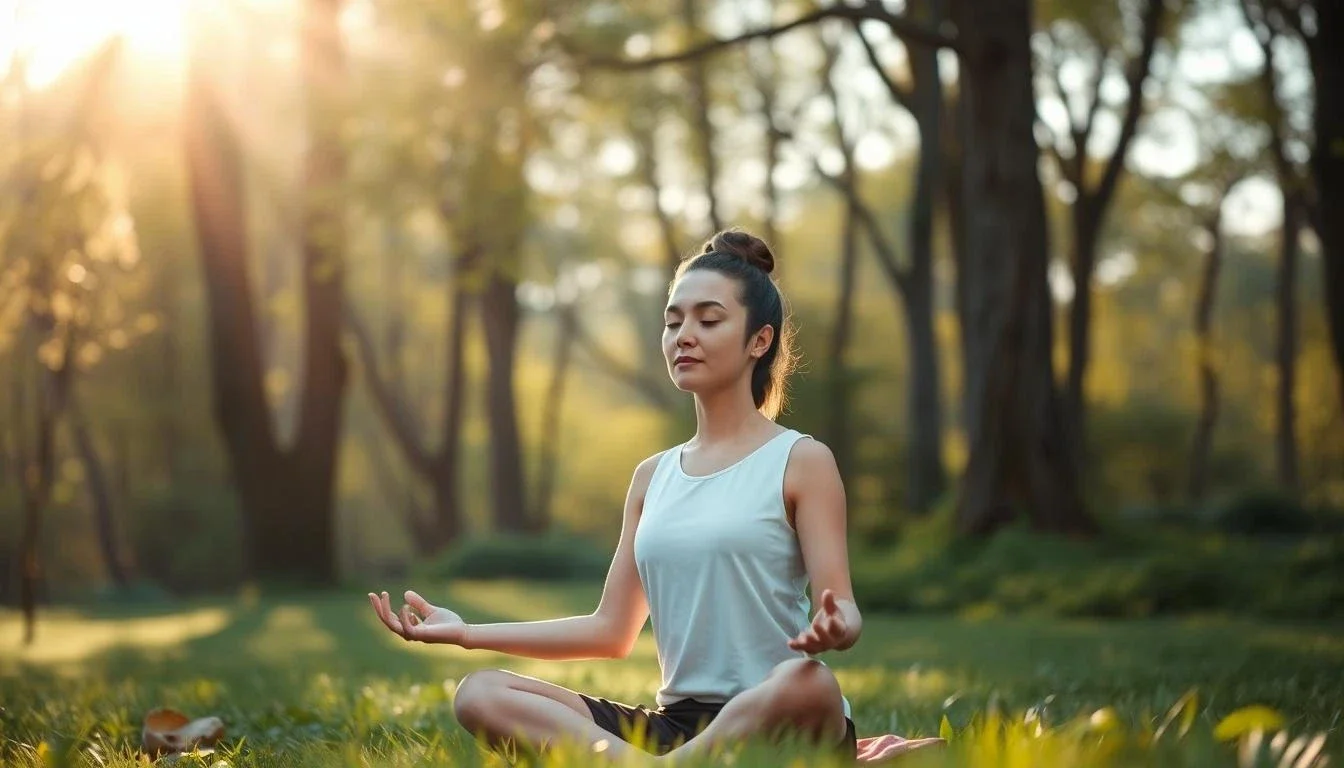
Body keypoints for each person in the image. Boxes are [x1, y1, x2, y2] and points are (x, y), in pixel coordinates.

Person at [368, 229, 862, 761]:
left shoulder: (801, 460)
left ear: (759, 341)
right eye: (673, 322)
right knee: (481, 693)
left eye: (709, 320)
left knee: (809, 682)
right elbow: (610, 630)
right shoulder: (654, 476)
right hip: (681, 727)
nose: (684, 336)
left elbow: (846, 611)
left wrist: (834, 625)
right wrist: (467, 632)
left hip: (779, 717)